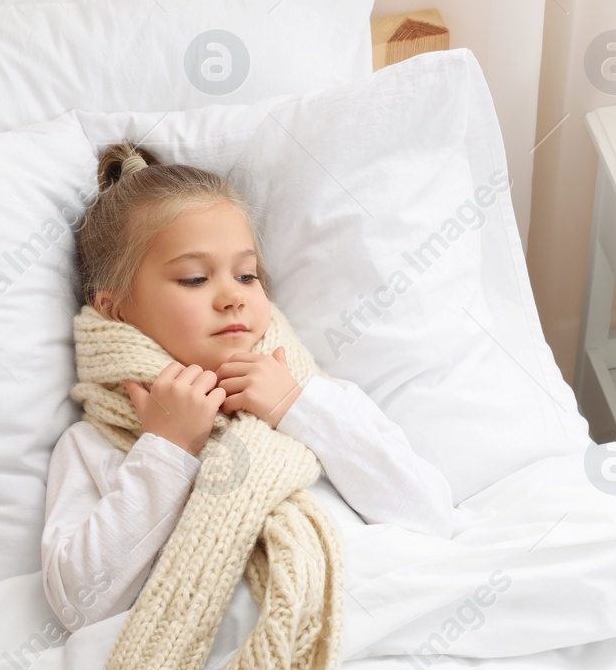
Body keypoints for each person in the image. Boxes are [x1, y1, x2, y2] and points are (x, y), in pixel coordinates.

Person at [41, 143, 454, 631]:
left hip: (369, 622)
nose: (233, 296)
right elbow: (78, 606)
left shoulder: (317, 400)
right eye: (195, 279)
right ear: (115, 308)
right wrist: (167, 451)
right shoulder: (96, 445)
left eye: (246, 274)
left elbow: (429, 514)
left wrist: (297, 407)